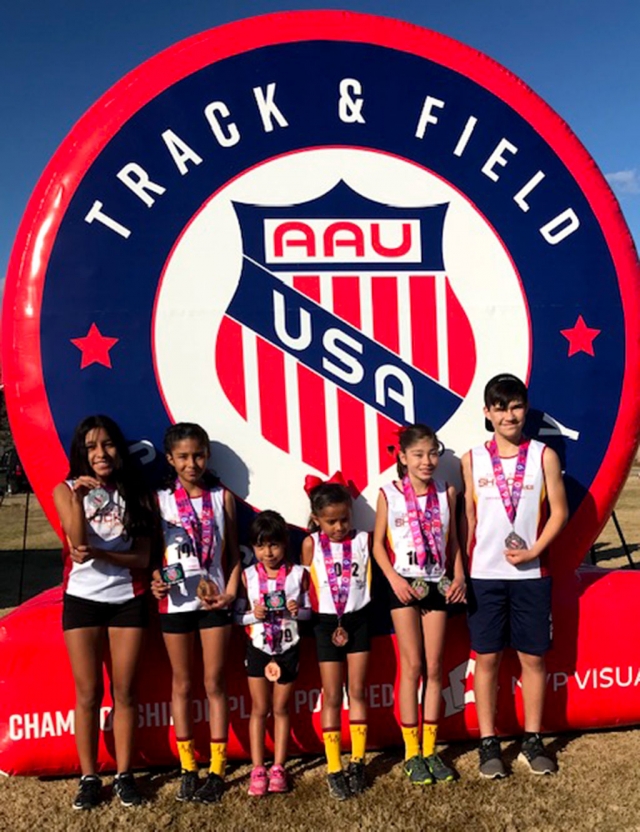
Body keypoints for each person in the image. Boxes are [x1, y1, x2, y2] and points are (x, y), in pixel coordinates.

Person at [461, 374, 568, 778]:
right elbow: (468, 521)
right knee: (486, 659)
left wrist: (535, 552)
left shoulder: (544, 456)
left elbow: (559, 511)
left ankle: (532, 740)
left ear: (526, 409)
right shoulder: (471, 459)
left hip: (531, 574)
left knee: (532, 659)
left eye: (516, 406)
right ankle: (489, 744)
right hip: (484, 575)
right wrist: (461, 570)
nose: (509, 414)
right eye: (500, 407)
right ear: (487, 413)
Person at [53, 415, 156, 810]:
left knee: (126, 692)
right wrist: (79, 500)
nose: (101, 453)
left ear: (120, 449)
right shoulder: (64, 490)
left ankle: (125, 775)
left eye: (108, 444)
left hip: (127, 598)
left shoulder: (136, 490)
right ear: (81, 451)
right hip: (81, 599)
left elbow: (143, 557)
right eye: (92, 446)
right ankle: (89, 777)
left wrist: (103, 554)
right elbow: (78, 545)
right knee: (88, 693)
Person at [151, 423, 241, 803]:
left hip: (215, 603)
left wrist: (232, 590)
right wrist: (155, 577)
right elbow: (153, 557)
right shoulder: (160, 500)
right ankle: (189, 766)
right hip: (175, 604)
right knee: (182, 685)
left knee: (215, 683)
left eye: (199, 455)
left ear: (207, 456)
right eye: (184, 457)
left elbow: (234, 553)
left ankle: (217, 768)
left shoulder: (222, 497)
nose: (192, 464)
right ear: (170, 460)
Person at [373, 424, 466, 785]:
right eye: (418, 454)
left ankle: (430, 749)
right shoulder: (388, 493)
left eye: (432, 453)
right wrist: (394, 579)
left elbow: (454, 541)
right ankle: (412, 753)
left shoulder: (448, 491)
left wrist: (459, 577)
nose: (427, 461)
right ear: (402, 457)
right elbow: (379, 545)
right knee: (410, 666)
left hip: (438, 584)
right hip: (402, 587)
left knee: (435, 667)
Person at [300, 475, 372, 800]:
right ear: (317, 520)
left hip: (357, 620)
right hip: (326, 624)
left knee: (356, 690)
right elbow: (302, 588)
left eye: (344, 519)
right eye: (331, 522)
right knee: (331, 695)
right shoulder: (311, 544)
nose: (339, 527)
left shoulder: (363, 541)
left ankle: (357, 760)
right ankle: (333, 767)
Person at [234, 510, 310, 796]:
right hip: (258, 648)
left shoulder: (299, 574)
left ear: (284, 544)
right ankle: (257, 767)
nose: (268, 552)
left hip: (288, 647)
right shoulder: (247, 576)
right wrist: (253, 616)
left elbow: (308, 613)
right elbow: (237, 618)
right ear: (253, 547)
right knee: (259, 709)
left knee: (280, 709)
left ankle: (278, 766)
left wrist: (297, 611)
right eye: (261, 545)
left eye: (274, 544)